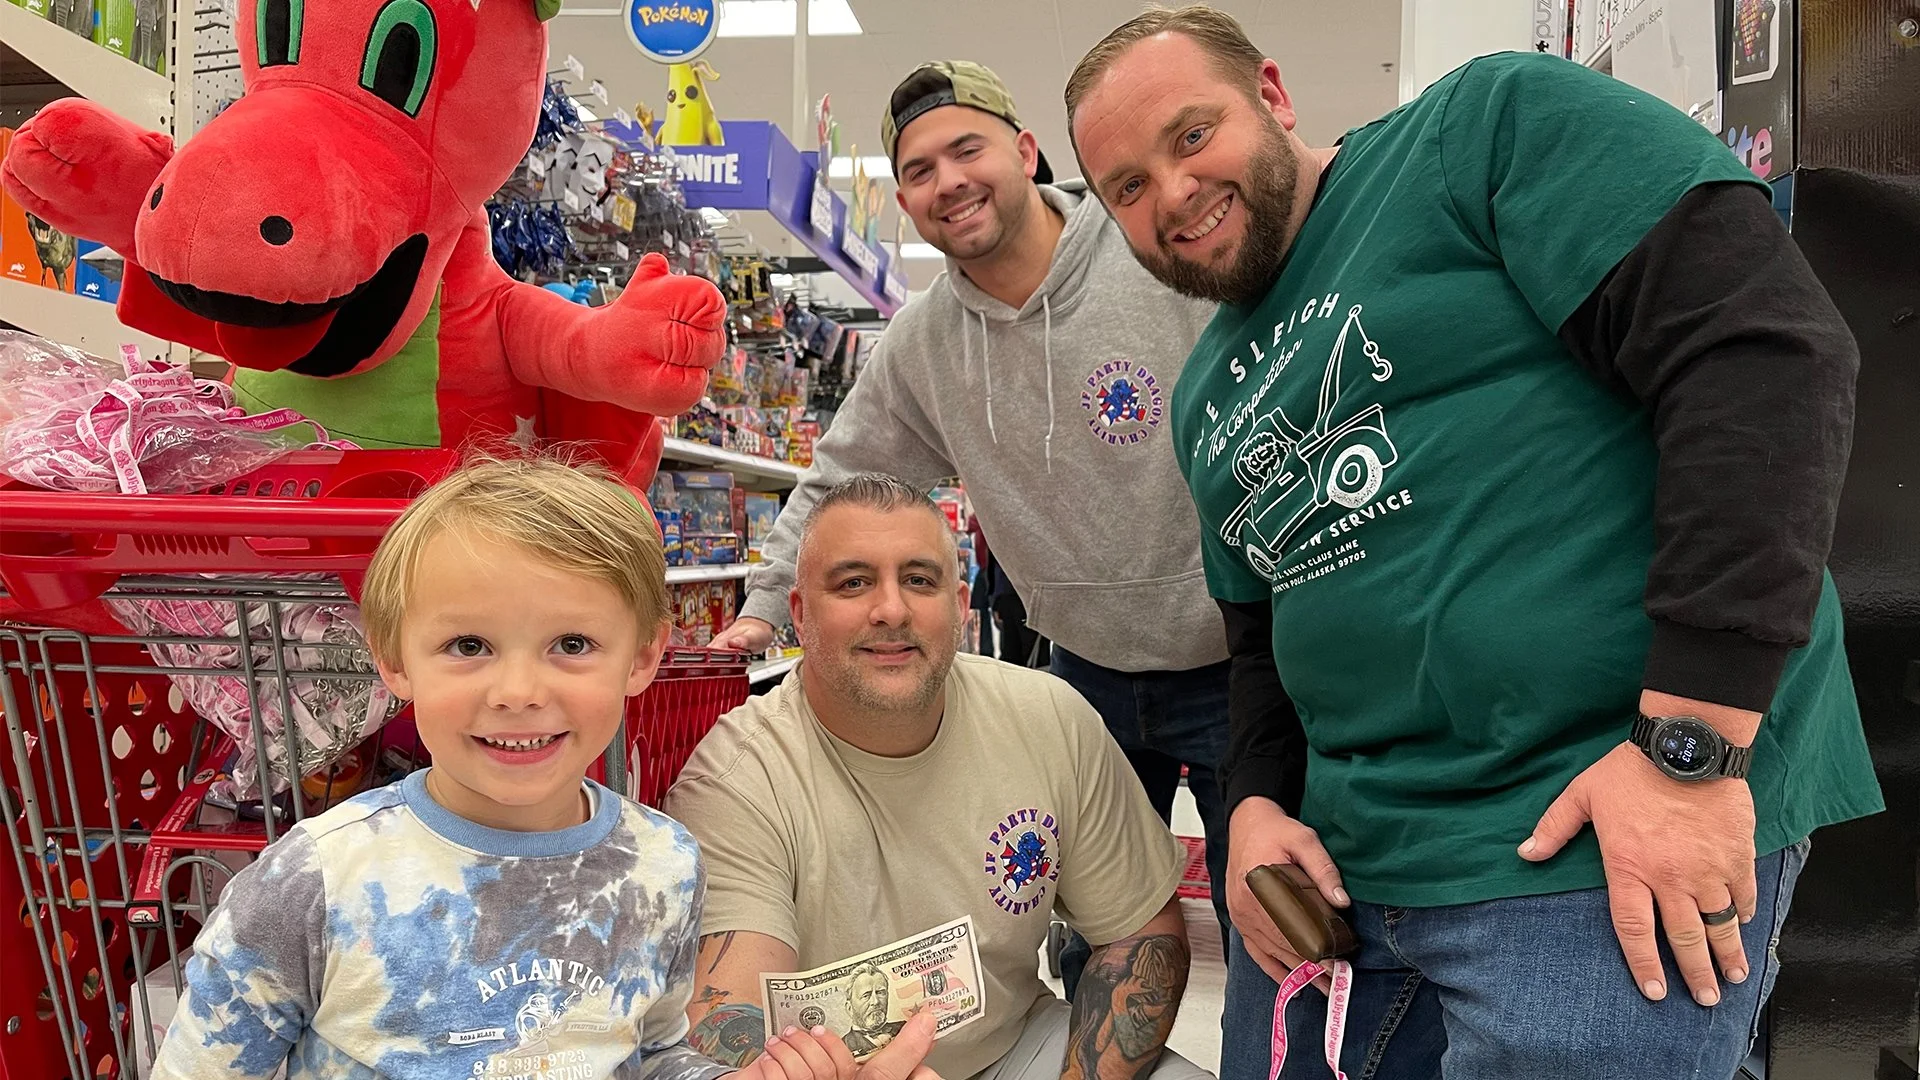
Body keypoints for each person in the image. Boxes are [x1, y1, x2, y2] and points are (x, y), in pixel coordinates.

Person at [1065, 7, 1883, 1079]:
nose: (1172, 193)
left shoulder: (1482, 128)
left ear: (1271, 94)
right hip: (1343, 887)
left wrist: (1689, 751)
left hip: (1587, 843)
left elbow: (1760, 352)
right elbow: (1261, 640)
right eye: (1127, 186)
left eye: (1190, 134)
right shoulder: (1203, 395)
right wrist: (1254, 804)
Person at [152, 456, 936, 1080]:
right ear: (393, 659)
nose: (520, 692)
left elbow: (652, 1052)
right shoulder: (315, 882)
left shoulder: (662, 864)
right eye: (469, 645)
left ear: (643, 657)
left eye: (571, 644)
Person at [709, 60, 1230, 994]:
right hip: (1086, 676)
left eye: (966, 150)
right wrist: (762, 606)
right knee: (1097, 939)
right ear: (905, 200)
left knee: (1268, 923)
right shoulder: (923, 342)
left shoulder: (1152, 254)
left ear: (1025, 152)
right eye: (918, 171)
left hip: (1232, 661)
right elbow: (843, 477)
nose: (947, 182)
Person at [667, 475, 1213, 1080]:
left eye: (919, 581)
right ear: (799, 615)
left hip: (1012, 1047)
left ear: (958, 607)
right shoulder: (735, 779)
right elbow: (729, 1016)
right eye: (853, 583)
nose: (892, 610)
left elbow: (1142, 932)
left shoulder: (1049, 719)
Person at [843, 966, 907, 1057]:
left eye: (880, 992)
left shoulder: (904, 1027)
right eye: (866, 996)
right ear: (849, 1008)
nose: (875, 1001)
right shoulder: (843, 1046)